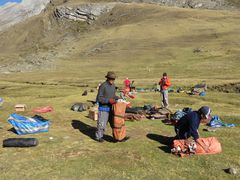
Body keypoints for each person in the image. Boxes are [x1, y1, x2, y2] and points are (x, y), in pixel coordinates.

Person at [95, 71, 129, 143]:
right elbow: (99, 98)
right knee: (102, 124)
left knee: (115, 123)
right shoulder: (103, 86)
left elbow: (113, 95)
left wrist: (120, 99)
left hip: (112, 108)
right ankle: (99, 137)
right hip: (104, 108)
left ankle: (118, 137)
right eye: (111, 79)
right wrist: (108, 100)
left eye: (113, 79)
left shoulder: (113, 86)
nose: (112, 80)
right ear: (107, 78)